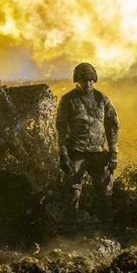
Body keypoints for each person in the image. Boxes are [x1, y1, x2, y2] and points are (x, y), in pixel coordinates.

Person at [56, 62, 120, 220]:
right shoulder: (68, 100)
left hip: (98, 152)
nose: (88, 83)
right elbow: (61, 129)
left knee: (105, 192)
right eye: (84, 80)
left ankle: (105, 230)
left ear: (95, 80)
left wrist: (113, 153)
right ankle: (71, 234)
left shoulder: (102, 99)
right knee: (72, 192)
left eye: (91, 80)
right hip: (77, 153)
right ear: (77, 80)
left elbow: (112, 125)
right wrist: (63, 155)